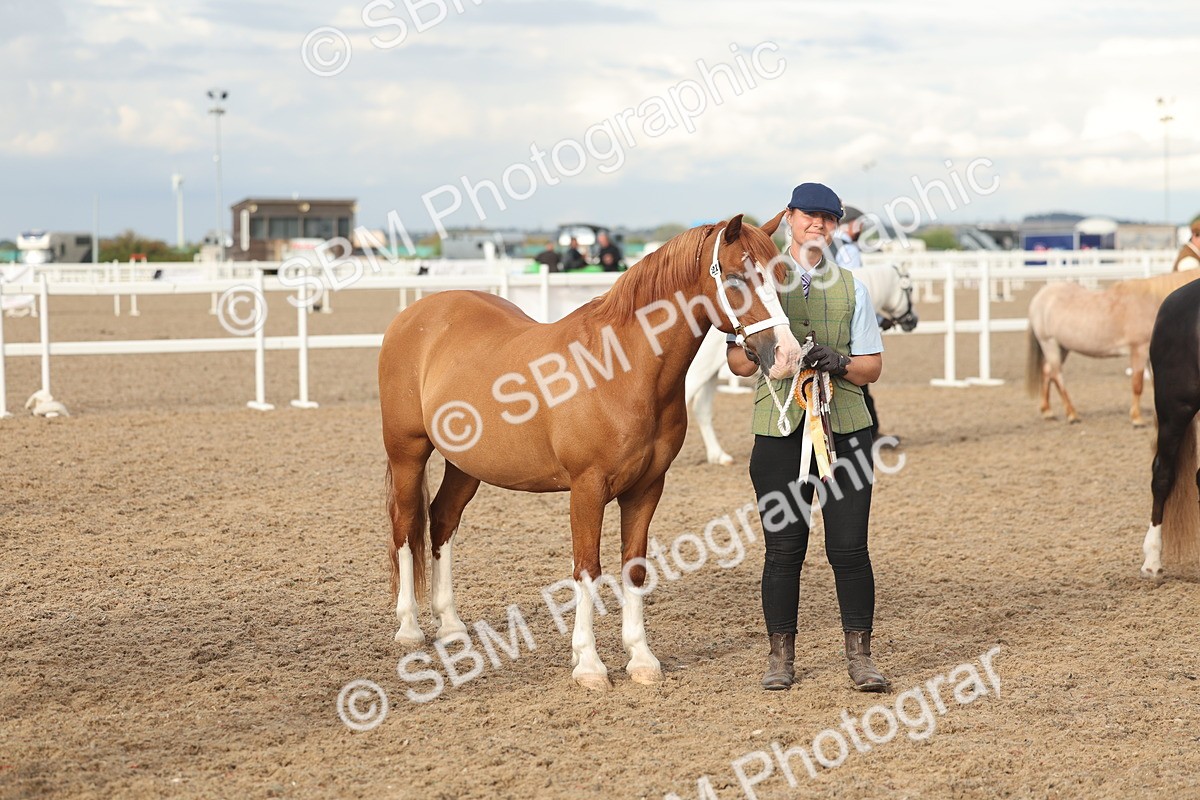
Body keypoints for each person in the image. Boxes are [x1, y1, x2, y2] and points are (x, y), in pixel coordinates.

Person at [726, 182, 889, 693]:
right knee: (783, 548)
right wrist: (760, 357)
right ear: (790, 219)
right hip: (777, 429)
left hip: (845, 431)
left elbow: (873, 367)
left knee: (849, 548)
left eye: (827, 217)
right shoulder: (759, 283)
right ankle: (780, 657)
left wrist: (839, 362)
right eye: (807, 215)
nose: (816, 224)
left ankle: (860, 656)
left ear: (835, 225)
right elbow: (733, 361)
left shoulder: (853, 288)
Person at [829, 204, 886, 439]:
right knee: (857, 373)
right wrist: (880, 318)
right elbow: (856, 287)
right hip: (846, 319)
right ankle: (868, 431)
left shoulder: (822, 246)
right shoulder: (849, 249)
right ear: (853, 225)